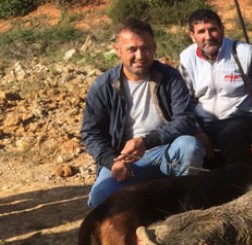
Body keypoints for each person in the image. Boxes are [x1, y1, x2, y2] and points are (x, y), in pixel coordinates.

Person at [81, 17, 205, 208]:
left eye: (146, 48)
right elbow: (90, 133)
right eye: (132, 49)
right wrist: (111, 161)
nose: (140, 55)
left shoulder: (170, 77)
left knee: (190, 146)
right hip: (124, 158)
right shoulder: (103, 86)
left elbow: (185, 120)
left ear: (154, 48)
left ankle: (180, 205)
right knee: (99, 200)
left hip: (165, 150)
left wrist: (146, 141)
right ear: (117, 50)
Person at [179, 9, 252, 165]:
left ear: (222, 29)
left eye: (213, 30)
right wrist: (196, 131)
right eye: (201, 32)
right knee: (190, 143)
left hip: (242, 117)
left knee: (231, 135)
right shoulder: (187, 60)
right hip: (205, 121)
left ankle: (246, 177)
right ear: (192, 36)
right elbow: (186, 101)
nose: (208, 36)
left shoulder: (244, 53)